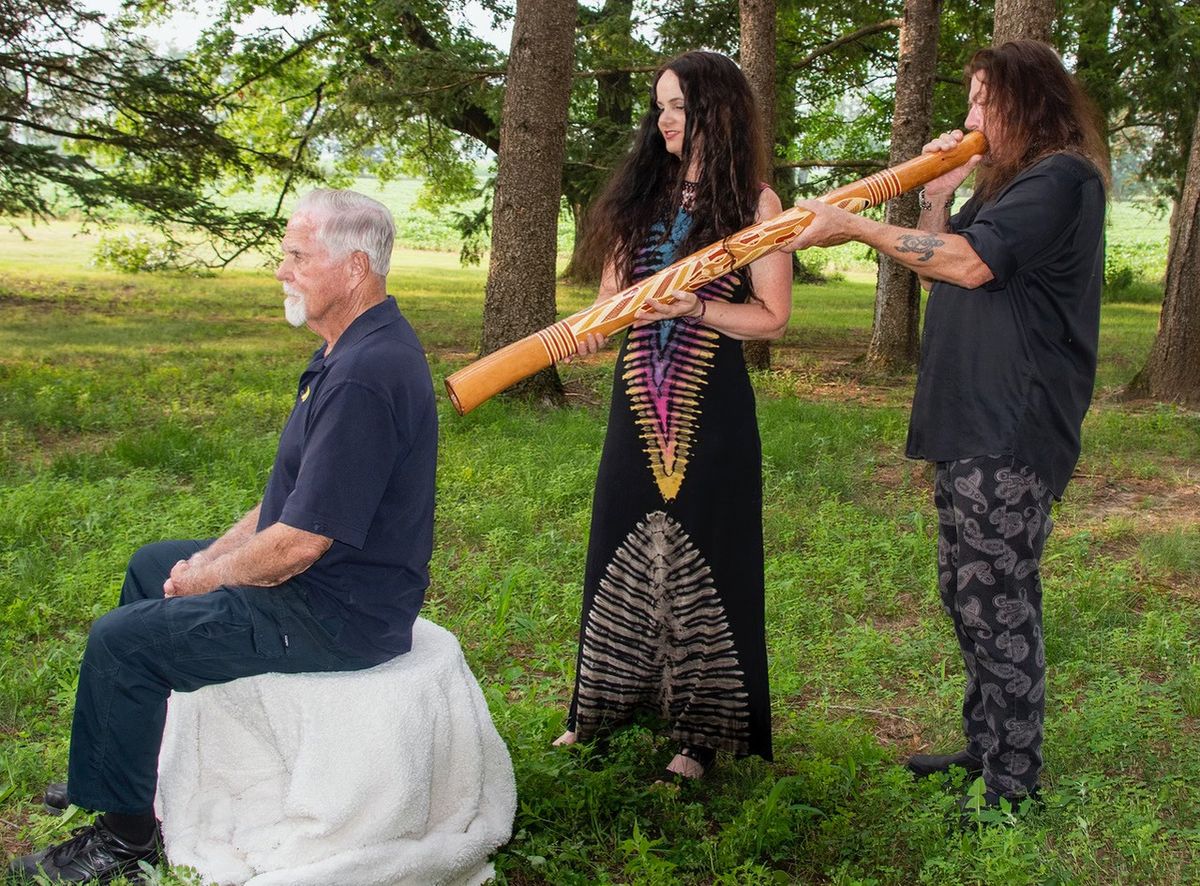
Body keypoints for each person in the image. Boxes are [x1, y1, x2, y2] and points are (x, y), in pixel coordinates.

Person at [9, 189, 439, 882]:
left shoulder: (365, 373)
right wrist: (204, 559)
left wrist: (209, 577)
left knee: (120, 642)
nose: (281, 270)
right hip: (319, 585)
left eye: (297, 255)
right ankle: (127, 779)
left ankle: (124, 840)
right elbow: (283, 505)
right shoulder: (351, 348)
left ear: (354, 266)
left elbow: (299, 543)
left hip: (341, 615)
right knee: (155, 566)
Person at [785, 40, 1109, 811]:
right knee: (965, 594)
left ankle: (1014, 785)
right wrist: (943, 190)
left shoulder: (1061, 178)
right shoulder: (1009, 187)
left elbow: (968, 265)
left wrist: (854, 228)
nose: (967, 119)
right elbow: (941, 253)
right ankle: (983, 748)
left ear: (1025, 104)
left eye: (980, 102)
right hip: (968, 419)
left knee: (999, 602)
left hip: (1014, 426)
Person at [554, 51, 792, 779]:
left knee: (709, 552)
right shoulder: (641, 199)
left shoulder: (757, 207)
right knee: (617, 542)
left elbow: (772, 318)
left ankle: (701, 736)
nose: (664, 121)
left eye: (680, 107)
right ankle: (598, 708)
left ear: (717, 113)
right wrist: (590, 330)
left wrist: (696, 304)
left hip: (708, 411)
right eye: (659, 105)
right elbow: (608, 304)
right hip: (635, 403)